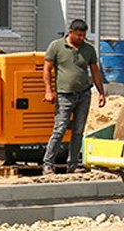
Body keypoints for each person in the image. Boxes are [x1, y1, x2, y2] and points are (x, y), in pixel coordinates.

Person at [42, 19, 107, 175]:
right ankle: (48, 164)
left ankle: (73, 165)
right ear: (70, 32)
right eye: (79, 35)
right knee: (59, 130)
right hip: (64, 95)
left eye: (84, 35)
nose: (81, 38)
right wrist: (48, 90)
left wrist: (101, 92)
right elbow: (46, 70)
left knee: (78, 131)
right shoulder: (56, 46)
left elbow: (95, 72)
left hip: (84, 94)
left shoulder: (89, 49)